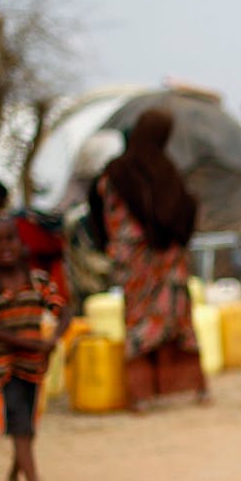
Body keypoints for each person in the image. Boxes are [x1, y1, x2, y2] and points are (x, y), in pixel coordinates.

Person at [88, 108, 209, 411]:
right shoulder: (166, 171)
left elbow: (110, 220)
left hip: (136, 264)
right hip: (166, 262)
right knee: (177, 320)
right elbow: (181, 212)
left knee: (141, 322)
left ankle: (142, 395)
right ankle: (188, 389)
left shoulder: (116, 173)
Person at [0, 216, 69, 481]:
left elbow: (63, 311)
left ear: (20, 242)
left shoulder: (38, 281)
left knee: (27, 427)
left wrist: (53, 338)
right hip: (6, 369)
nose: (4, 247)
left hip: (35, 367)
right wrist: (34, 344)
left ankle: (15, 473)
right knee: (21, 425)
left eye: (9, 239)